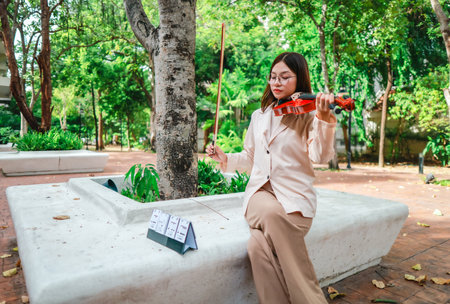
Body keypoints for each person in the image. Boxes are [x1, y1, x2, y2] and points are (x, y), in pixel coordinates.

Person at [206, 52, 335, 304]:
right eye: (273, 77)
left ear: (300, 79)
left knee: (257, 247)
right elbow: (251, 157)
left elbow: (320, 156)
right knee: (272, 214)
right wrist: (225, 158)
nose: (277, 83)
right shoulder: (259, 116)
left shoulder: (309, 116)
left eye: (285, 77)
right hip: (260, 198)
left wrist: (325, 119)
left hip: (296, 205)